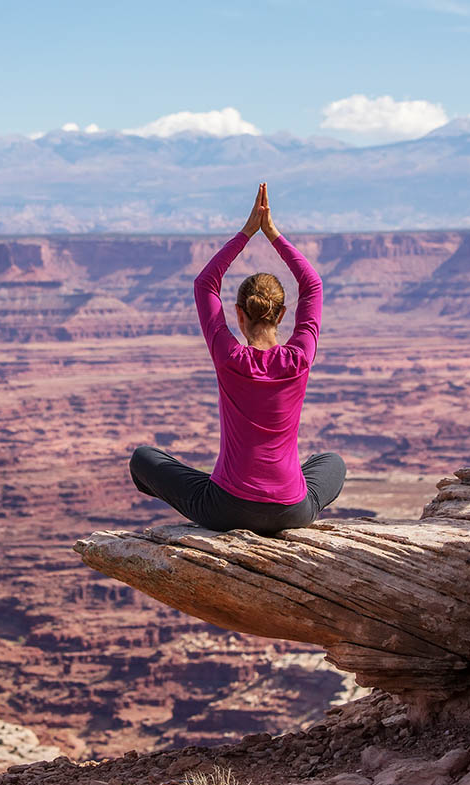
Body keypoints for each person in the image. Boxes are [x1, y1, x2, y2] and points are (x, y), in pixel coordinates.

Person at [129, 183, 346, 534]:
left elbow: (205, 285)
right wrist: (272, 233)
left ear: (239, 315)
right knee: (333, 463)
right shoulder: (300, 357)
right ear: (281, 315)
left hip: (226, 509)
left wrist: (247, 232)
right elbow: (313, 286)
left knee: (143, 458)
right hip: (290, 511)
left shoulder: (228, 356)